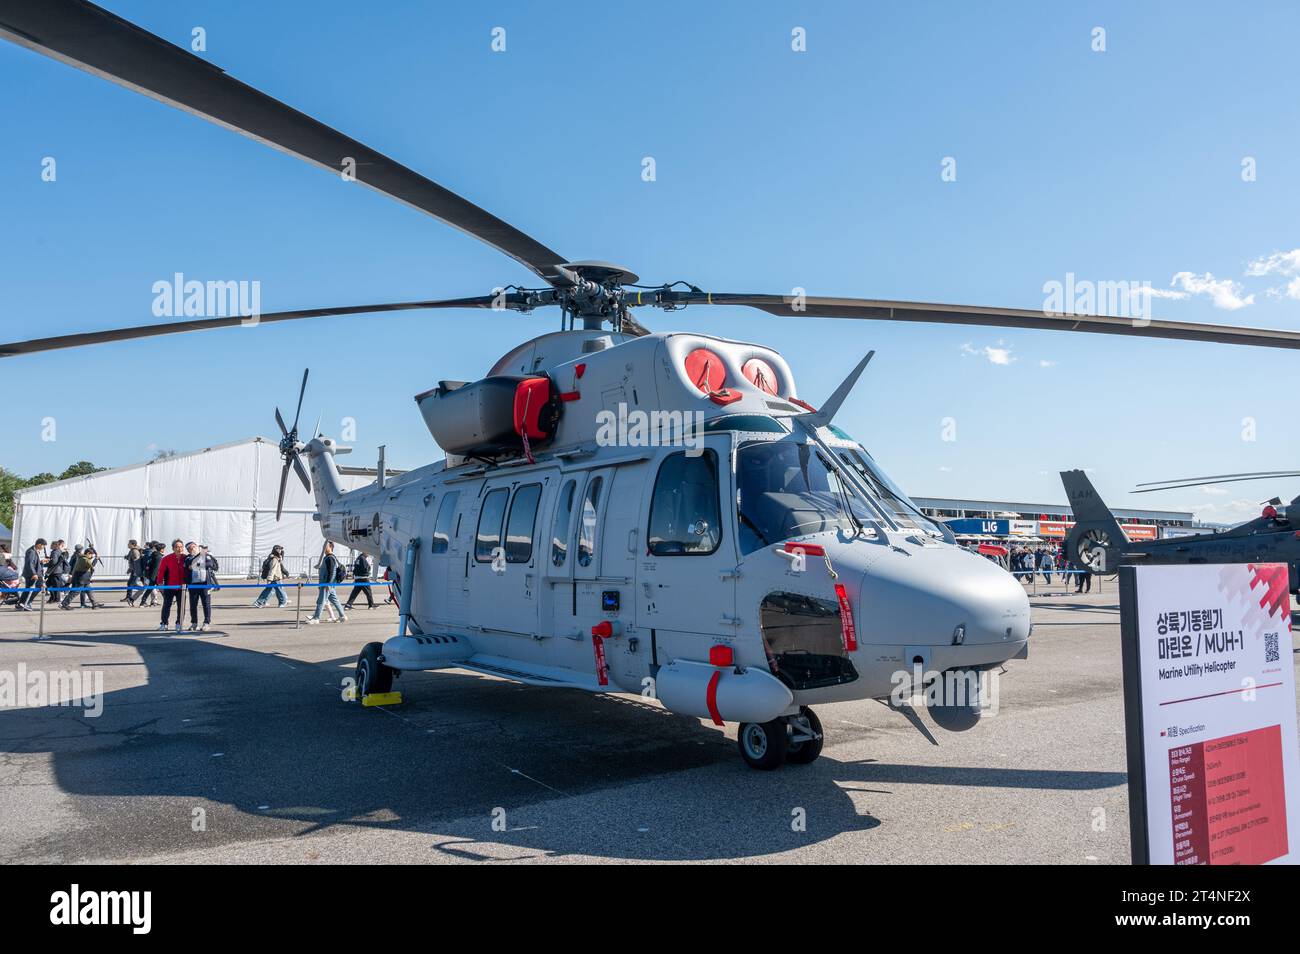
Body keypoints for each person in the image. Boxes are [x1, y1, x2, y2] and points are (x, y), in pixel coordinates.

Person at [305, 541, 346, 625]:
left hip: (326, 584)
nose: (324, 548)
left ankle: (316, 618)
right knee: (335, 600)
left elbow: (332, 572)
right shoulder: (328, 557)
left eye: (325, 546)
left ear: (331, 547)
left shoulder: (330, 558)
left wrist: (328, 584)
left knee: (321, 601)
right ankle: (342, 616)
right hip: (328, 584)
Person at [184, 542, 219, 632]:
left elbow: (210, 564)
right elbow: (187, 567)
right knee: (193, 605)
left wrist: (196, 565)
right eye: (190, 549)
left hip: (205, 584)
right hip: (193, 585)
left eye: (193, 547)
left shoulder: (204, 555)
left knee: (206, 604)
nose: (192, 549)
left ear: (197, 547)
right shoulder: (188, 558)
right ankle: (194, 623)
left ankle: (206, 623)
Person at [156, 539, 187, 633]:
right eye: (177, 547)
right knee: (166, 606)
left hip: (182, 587)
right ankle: (164, 624)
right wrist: (160, 584)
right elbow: (161, 572)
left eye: (181, 547)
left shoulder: (186, 558)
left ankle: (179, 624)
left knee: (181, 607)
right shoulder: (166, 558)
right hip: (169, 586)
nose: (179, 549)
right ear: (173, 548)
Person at [61, 545, 103, 610]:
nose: (92, 556)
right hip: (80, 579)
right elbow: (91, 566)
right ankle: (64, 604)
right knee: (75, 592)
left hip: (84, 579)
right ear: (88, 554)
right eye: (91, 555)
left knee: (89, 591)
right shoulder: (84, 559)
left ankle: (94, 604)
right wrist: (96, 559)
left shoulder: (82, 558)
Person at [15, 538, 46, 611]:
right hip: (32, 574)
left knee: (29, 589)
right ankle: (27, 603)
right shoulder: (31, 551)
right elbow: (30, 564)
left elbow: (34, 562)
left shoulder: (35, 551)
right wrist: (34, 574)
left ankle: (22, 603)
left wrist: (41, 562)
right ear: (39, 544)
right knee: (38, 587)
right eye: (43, 546)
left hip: (35, 573)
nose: (43, 547)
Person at [138, 542, 163, 607]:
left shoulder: (154, 554)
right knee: (159, 589)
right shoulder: (159, 556)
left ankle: (143, 601)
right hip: (155, 576)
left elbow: (149, 565)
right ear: (161, 549)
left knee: (153, 589)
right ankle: (143, 602)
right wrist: (155, 577)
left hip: (152, 576)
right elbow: (156, 568)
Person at [123, 540, 144, 605]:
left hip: (135, 571)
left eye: (128, 543)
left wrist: (136, 571)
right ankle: (128, 597)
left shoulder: (135, 551)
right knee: (130, 583)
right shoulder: (132, 550)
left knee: (132, 583)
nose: (127, 544)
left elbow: (137, 562)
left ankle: (141, 590)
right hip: (133, 570)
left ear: (132, 544)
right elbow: (131, 560)